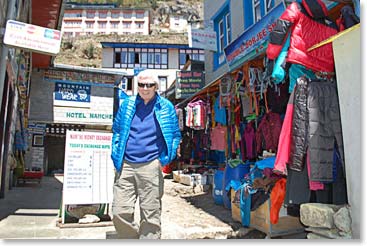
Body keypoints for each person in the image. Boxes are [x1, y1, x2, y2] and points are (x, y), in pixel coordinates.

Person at [111, 70, 182, 239]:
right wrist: (116, 155)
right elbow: (117, 131)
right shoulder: (127, 105)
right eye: (141, 84)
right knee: (119, 212)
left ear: (156, 86)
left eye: (149, 85)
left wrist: (164, 159)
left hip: (151, 164)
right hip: (126, 164)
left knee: (151, 214)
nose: (145, 88)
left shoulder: (166, 107)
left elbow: (175, 135)